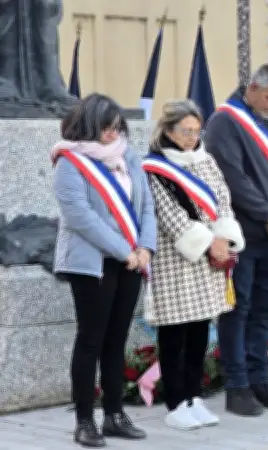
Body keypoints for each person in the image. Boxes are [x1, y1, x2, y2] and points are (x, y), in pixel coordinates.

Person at [51, 93, 156, 447]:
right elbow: (81, 217)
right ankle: (84, 420)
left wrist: (145, 248)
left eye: (116, 127)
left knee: (117, 340)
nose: (112, 133)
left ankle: (114, 414)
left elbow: (146, 209)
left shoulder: (129, 156)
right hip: (92, 264)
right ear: (88, 126)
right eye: (105, 127)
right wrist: (124, 250)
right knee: (91, 341)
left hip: (131, 261)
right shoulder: (70, 162)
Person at [205, 63, 268, 416]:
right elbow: (233, 178)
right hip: (240, 236)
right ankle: (237, 385)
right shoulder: (224, 122)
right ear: (252, 88)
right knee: (237, 310)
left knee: (263, 309)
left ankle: (261, 379)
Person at [142, 100, 245, 429]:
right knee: (175, 333)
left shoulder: (206, 160)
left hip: (209, 260)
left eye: (196, 131)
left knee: (201, 329)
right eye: (185, 131)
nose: (191, 137)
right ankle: (174, 404)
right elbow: (169, 215)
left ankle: (193, 396)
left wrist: (225, 239)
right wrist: (208, 243)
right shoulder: (156, 167)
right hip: (177, 259)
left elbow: (223, 201)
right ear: (168, 130)